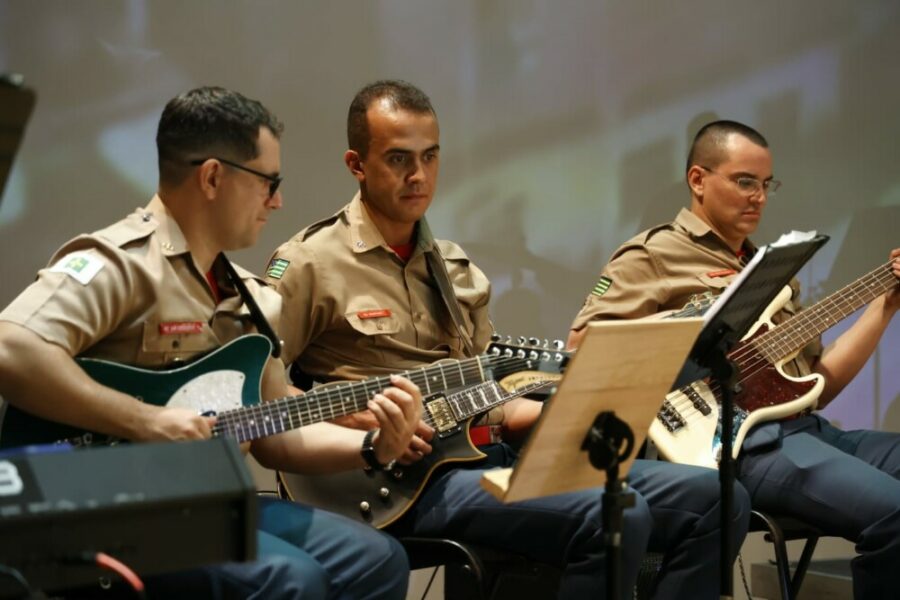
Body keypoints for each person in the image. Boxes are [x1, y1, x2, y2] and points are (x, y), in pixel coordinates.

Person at [265, 80, 751, 599]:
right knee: (616, 513)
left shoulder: (453, 268)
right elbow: (263, 396)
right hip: (397, 484)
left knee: (717, 497)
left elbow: (497, 404)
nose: (419, 175)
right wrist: (367, 422)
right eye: (398, 159)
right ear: (356, 165)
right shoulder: (310, 263)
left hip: (485, 457)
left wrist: (581, 409)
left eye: (430, 157)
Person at [0, 86, 418, 599]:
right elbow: (11, 349)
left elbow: (274, 427)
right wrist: (146, 421)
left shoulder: (253, 298)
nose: (278, 200)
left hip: (202, 503)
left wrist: (373, 447)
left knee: (378, 560)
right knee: (291, 580)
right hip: (99, 505)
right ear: (214, 176)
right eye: (269, 182)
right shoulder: (121, 263)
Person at [568, 119, 900, 598]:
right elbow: (582, 349)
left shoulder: (767, 268)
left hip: (806, 432)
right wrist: (692, 335)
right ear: (698, 180)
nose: (759, 197)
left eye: (766, 185)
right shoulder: (654, 254)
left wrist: (885, 304)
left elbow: (819, 386)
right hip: (744, 447)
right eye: (745, 182)